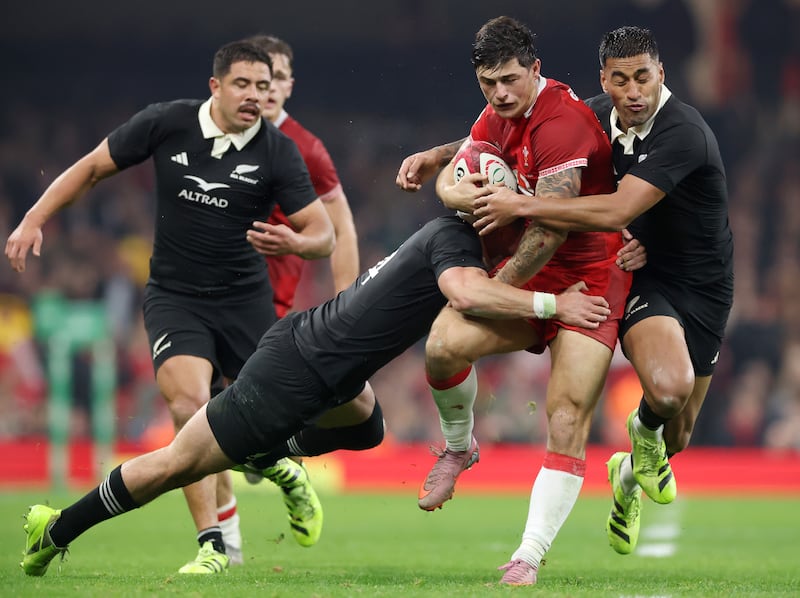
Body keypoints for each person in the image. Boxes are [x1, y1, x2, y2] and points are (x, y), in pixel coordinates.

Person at [19, 214, 612, 577]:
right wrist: (554, 305)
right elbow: (466, 293)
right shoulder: (454, 244)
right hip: (295, 372)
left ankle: (266, 454)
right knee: (177, 464)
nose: (531, 237)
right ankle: (55, 529)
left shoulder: (457, 240)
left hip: (325, 365)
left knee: (367, 428)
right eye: (522, 225)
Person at [6, 40, 336, 574]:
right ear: (216, 87)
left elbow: (322, 233)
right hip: (175, 298)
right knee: (190, 407)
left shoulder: (277, 151)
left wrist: (295, 244)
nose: (255, 95)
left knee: (264, 421)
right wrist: (33, 219)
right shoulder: (167, 123)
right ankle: (212, 546)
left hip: (244, 301)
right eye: (243, 84)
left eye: (263, 85)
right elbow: (91, 168)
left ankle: (280, 468)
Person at [469, 26, 734, 557]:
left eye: (643, 77)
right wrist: (437, 154)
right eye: (621, 79)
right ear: (604, 81)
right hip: (639, 275)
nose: (634, 91)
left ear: (661, 74)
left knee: (676, 436)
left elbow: (617, 209)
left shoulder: (683, 131)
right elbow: (498, 137)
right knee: (668, 388)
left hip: (703, 285)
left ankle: (627, 476)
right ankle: (643, 436)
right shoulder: (591, 116)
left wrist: (524, 206)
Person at [397, 16, 634, 586]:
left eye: (508, 80)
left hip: (590, 277)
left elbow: (550, 228)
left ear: (534, 69)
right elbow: (463, 167)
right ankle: (460, 447)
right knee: (443, 346)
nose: (499, 93)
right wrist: (444, 169)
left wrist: (497, 290)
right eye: (487, 83)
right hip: (534, 275)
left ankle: (527, 556)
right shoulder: (498, 113)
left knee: (564, 413)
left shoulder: (565, 123)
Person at [240, 35, 384, 507]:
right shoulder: (211, 136)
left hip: (268, 306)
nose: (269, 88)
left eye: (278, 77)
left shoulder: (305, 148)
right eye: (260, 79)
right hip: (212, 300)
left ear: (288, 84)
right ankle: (221, 542)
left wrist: (349, 305)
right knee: (197, 410)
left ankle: (276, 455)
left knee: (357, 411)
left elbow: (341, 227)